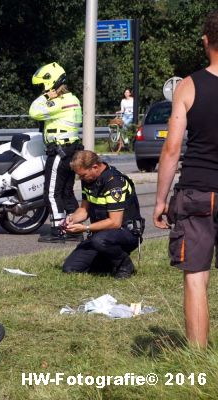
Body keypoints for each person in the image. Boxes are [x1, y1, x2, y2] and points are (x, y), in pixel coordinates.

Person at [153, 10, 218, 349]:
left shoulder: (190, 86)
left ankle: (197, 358)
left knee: (196, 276)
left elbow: (172, 147)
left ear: (205, 41)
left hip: (198, 191)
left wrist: (161, 200)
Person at [62, 150, 143, 279]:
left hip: (125, 232)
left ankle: (125, 265)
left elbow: (115, 222)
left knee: (99, 241)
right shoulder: (89, 180)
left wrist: (85, 228)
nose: (81, 179)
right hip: (101, 234)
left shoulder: (114, 182)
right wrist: (71, 219)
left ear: (95, 167)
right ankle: (109, 262)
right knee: (71, 268)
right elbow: (84, 210)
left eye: (83, 175)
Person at [29, 62, 83, 243]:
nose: (40, 90)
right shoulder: (73, 99)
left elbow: (34, 112)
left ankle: (57, 231)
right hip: (71, 150)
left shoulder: (58, 102)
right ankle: (75, 230)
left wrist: (45, 96)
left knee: (52, 193)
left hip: (59, 151)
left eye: (41, 87)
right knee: (67, 192)